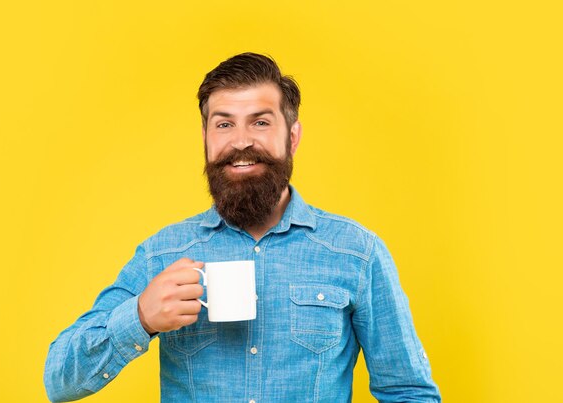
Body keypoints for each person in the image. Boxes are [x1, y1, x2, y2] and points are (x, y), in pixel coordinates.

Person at [44, 52, 441, 402]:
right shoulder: (162, 254)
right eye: (224, 125)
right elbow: (58, 381)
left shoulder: (357, 253)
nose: (241, 142)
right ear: (205, 138)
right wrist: (140, 317)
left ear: (293, 136)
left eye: (261, 122)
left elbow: (409, 392)